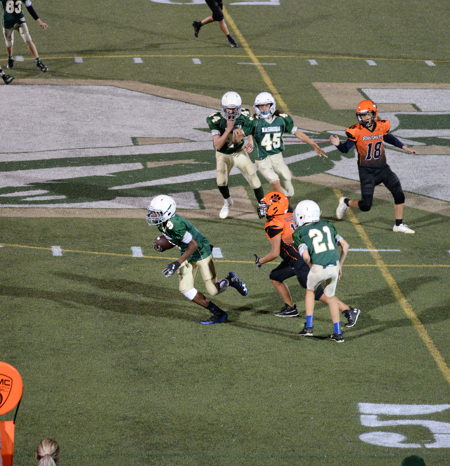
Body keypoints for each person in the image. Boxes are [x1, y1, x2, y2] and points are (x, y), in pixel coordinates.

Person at [255, 190, 360, 326]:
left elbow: (275, 253)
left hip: (300, 260)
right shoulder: (290, 214)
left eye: (267, 206)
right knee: (275, 276)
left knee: (317, 293)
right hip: (299, 256)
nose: (263, 209)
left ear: (275, 207)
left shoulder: (273, 224)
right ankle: (290, 308)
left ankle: (348, 310)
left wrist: (260, 261)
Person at [147, 194, 248, 324]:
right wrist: (165, 244)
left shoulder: (175, 224)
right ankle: (218, 313)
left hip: (201, 252)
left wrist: (177, 263)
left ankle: (230, 280)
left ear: (168, 212)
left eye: (156, 213)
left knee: (213, 290)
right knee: (185, 288)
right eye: (152, 212)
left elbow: (193, 245)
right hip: (187, 253)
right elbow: (177, 239)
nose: (153, 215)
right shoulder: (162, 224)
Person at [329, 98, 416, 234]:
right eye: (362, 115)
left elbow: (388, 137)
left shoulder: (381, 126)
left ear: (373, 114)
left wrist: (403, 147)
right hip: (367, 172)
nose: (365, 117)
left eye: (367, 114)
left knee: (399, 194)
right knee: (366, 206)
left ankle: (398, 224)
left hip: (383, 169)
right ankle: (346, 202)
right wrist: (338, 145)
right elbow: (345, 149)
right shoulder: (356, 131)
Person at [250, 92, 328, 199]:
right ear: (257, 107)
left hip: (277, 155)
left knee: (288, 182)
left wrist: (314, 145)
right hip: (262, 157)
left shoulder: (281, 119)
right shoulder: (253, 121)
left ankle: (282, 202)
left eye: (266, 105)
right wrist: (249, 141)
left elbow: (297, 132)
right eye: (261, 106)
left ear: (271, 105)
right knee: (274, 181)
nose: (264, 108)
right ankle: (283, 205)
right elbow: (246, 132)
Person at [292, 199, 349, 342]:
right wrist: (340, 266)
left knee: (310, 291)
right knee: (331, 298)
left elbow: (306, 256)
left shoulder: (299, 233)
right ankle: (338, 333)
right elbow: (345, 246)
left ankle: (309, 326)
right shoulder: (328, 225)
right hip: (334, 266)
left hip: (318, 267)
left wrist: (311, 265)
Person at [206, 91, 265, 219]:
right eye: (229, 109)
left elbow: (250, 127)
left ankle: (263, 205)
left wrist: (250, 141)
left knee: (253, 177)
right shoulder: (215, 119)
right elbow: (218, 145)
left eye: (234, 109)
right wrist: (228, 129)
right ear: (223, 108)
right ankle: (228, 202)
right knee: (221, 182)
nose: (232, 112)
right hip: (223, 154)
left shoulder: (244, 115)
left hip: (239, 152)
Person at [1, 0, 48, 72]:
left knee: (28, 40)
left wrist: (39, 21)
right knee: (9, 43)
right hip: (7, 21)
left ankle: (38, 61)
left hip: (20, 20)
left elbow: (29, 7)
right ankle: (10, 58)